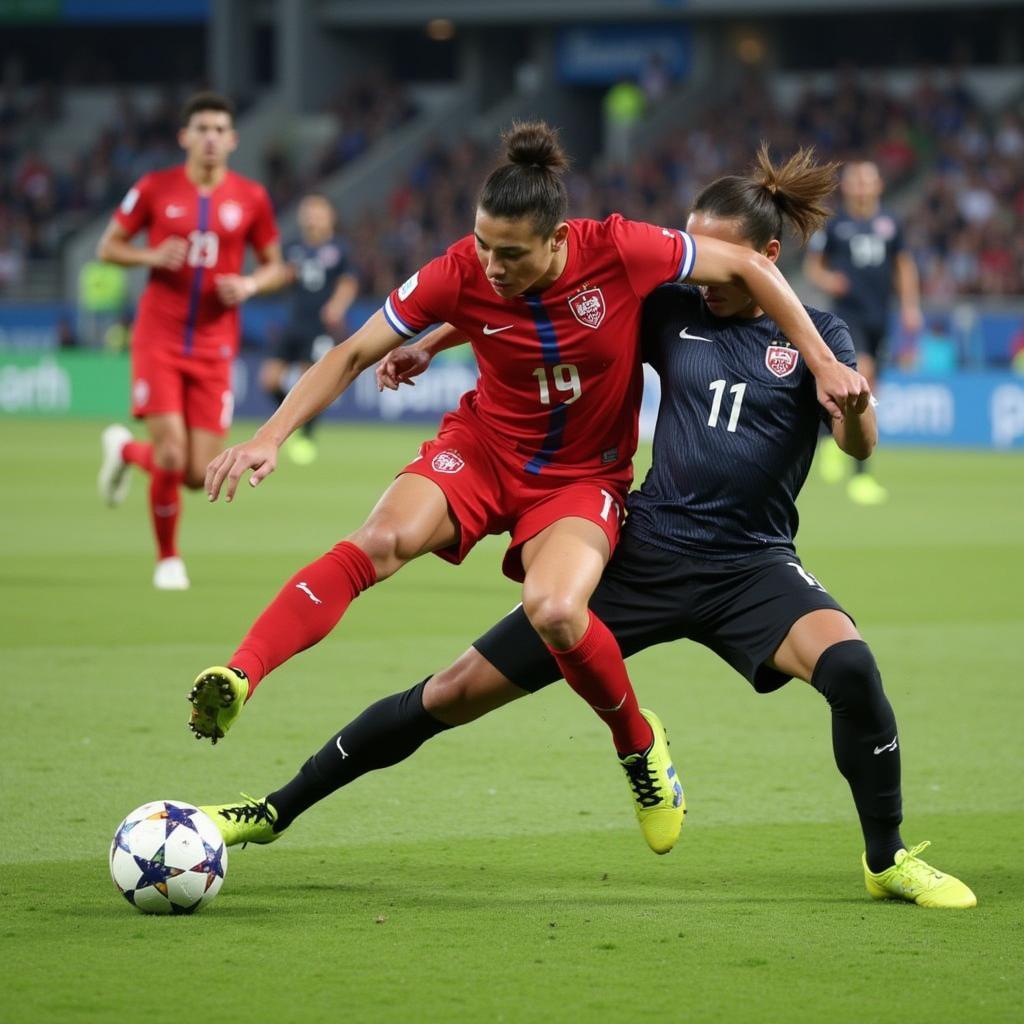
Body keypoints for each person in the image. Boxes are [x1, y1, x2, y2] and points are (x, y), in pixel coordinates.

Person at [199, 146, 973, 908]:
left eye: (718, 255)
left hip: (751, 565)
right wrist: (436, 339)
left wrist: (855, 404)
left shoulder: (817, 337)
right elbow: (543, 313)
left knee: (852, 669)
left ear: (765, 256)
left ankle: (888, 859)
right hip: (643, 549)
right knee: (450, 692)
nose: (699, 267)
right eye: (694, 248)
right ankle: (277, 807)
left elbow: (855, 441)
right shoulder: (668, 307)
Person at [95, 91, 290, 590]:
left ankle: (122, 453)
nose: (210, 137)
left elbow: (275, 266)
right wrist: (151, 256)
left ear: (232, 139)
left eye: (219, 129)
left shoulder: (251, 198)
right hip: (158, 337)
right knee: (168, 454)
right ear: (184, 136)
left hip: (214, 344)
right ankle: (168, 559)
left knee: (196, 472)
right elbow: (108, 246)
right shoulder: (156, 188)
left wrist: (248, 284)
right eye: (201, 128)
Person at [804, 159, 923, 505]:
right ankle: (860, 475)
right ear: (847, 186)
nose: (861, 186)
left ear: (878, 186)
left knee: (872, 388)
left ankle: (828, 436)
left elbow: (903, 265)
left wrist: (911, 306)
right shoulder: (835, 225)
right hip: (847, 317)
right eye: (855, 180)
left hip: (879, 316)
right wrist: (830, 280)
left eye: (867, 180)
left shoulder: (890, 224)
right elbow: (814, 267)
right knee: (862, 378)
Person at [260, 193, 358, 466]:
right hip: (294, 324)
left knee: (307, 382)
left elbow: (349, 282)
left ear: (330, 217)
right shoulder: (293, 248)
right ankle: (290, 421)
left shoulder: (339, 249)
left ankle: (306, 436)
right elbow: (281, 276)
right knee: (269, 379)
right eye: (308, 211)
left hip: (319, 326)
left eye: (318, 212)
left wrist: (337, 306)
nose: (313, 217)